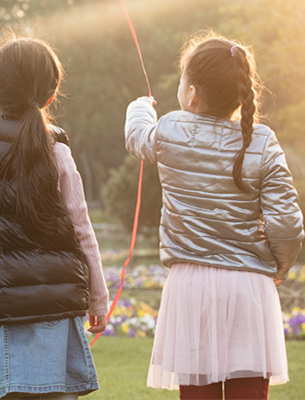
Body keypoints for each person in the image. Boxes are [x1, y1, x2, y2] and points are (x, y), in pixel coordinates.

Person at [124, 31, 304, 400]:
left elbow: (136, 136)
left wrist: (140, 106)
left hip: (191, 284)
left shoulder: (170, 129)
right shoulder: (263, 140)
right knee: (249, 391)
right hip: (249, 286)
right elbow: (287, 220)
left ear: (191, 93)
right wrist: (281, 267)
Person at [0, 37, 110, 400]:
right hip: (52, 309)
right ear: (51, 97)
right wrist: (98, 299)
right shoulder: (56, 150)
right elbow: (81, 230)